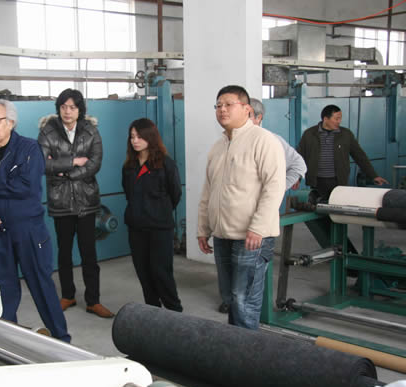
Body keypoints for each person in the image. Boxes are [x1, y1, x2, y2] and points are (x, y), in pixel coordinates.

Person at [0, 99, 71, 342]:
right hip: (0, 233)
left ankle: (62, 340)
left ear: (11, 122)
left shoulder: (29, 149)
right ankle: (8, 340)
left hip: (29, 231)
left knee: (42, 286)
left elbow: (26, 185)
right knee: (3, 292)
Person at [197, 85, 286, 330]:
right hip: (223, 235)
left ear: (247, 109)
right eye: (218, 105)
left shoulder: (263, 140)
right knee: (229, 297)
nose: (222, 110)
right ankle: (234, 346)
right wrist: (203, 228)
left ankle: (247, 350)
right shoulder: (218, 146)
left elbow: (274, 187)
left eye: (228, 104)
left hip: (251, 237)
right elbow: (209, 191)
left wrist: (258, 227)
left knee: (243, 300)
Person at [216, 98, 307, 314]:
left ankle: (243, 313)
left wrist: (279, 188)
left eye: (247, 116)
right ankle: (229, 302)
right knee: (228, 267)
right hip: (230, 220)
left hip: (256, 220)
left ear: (258, 118)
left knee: (248, 277)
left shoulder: (270, 141)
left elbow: (298, 165)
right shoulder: (227, 142)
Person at [37, 88, 114, 318]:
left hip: (86, 200)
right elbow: (41, 164)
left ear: (80, 110)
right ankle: (68, 295)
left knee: (89, 253)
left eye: (72, 107)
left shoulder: (91, 131)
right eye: (63, 107)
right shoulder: (47, 132)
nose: (67, 111)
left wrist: (66, 172)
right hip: (60, 202)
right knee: (64, 252)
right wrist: (73, 161)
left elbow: (95, 163)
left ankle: (93, 301)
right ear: (58, 109)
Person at [122, 118, 183, 312]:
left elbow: (175, 194)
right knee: (143, 272)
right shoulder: (129, 166)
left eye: (139, 136)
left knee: (161, 272)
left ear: (150, 137)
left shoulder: (166, 164)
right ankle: (152, 312)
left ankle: (174, 312)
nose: (135, 141)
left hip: (159, 228)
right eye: (132, 137)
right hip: (136, 227)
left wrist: (158, 210)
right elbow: (129, 193)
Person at [297, 104, 389, 201]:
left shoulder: (346, 134)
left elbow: (360, 156)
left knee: (337, 206)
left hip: (338, 181)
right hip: (316, 182)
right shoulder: (309, 134)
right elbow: (299, 157)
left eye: (340, 118)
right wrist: (297, 178)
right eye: (336, 119)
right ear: (326, 119)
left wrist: (373, 175)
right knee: (318, 207)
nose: (339, 121)